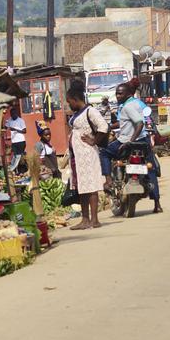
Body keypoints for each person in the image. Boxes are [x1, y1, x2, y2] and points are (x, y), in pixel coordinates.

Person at [100, 82, 163, 213]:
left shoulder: (127, 106)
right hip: (144, 142)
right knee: (150, 169)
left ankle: (108, 180)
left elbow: (139, 123)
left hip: (129, 141)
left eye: (120, 93)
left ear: (128, 93)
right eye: (116, 93)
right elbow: (132, 121)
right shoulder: (137, 104)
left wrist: (130, 141)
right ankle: (157, 204)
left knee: (104, 153)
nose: (117, 96)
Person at [66, 80, 109, 229]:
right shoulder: (76, 113)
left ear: (76, 99)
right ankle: (85, 220)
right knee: (82, 188)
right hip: (77, 157)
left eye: (69, 102)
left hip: (87, 154)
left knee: (91, 186)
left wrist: (94, 141)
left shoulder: (90, 111)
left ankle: (94, 220)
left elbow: (104, 126)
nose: (68, 105)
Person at [4, 107, 27, 171]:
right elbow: (5, 127)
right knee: (15, 156)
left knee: (18, 156)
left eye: (14, 114)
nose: (12, 116)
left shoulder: (21, 120)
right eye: (11, 114)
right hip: (14, 141)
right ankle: (16, 169)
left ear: (16, 114)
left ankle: (12, 169)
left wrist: (15, 129)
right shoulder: (10, 120)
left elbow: (24, 131)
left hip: (21, 141)